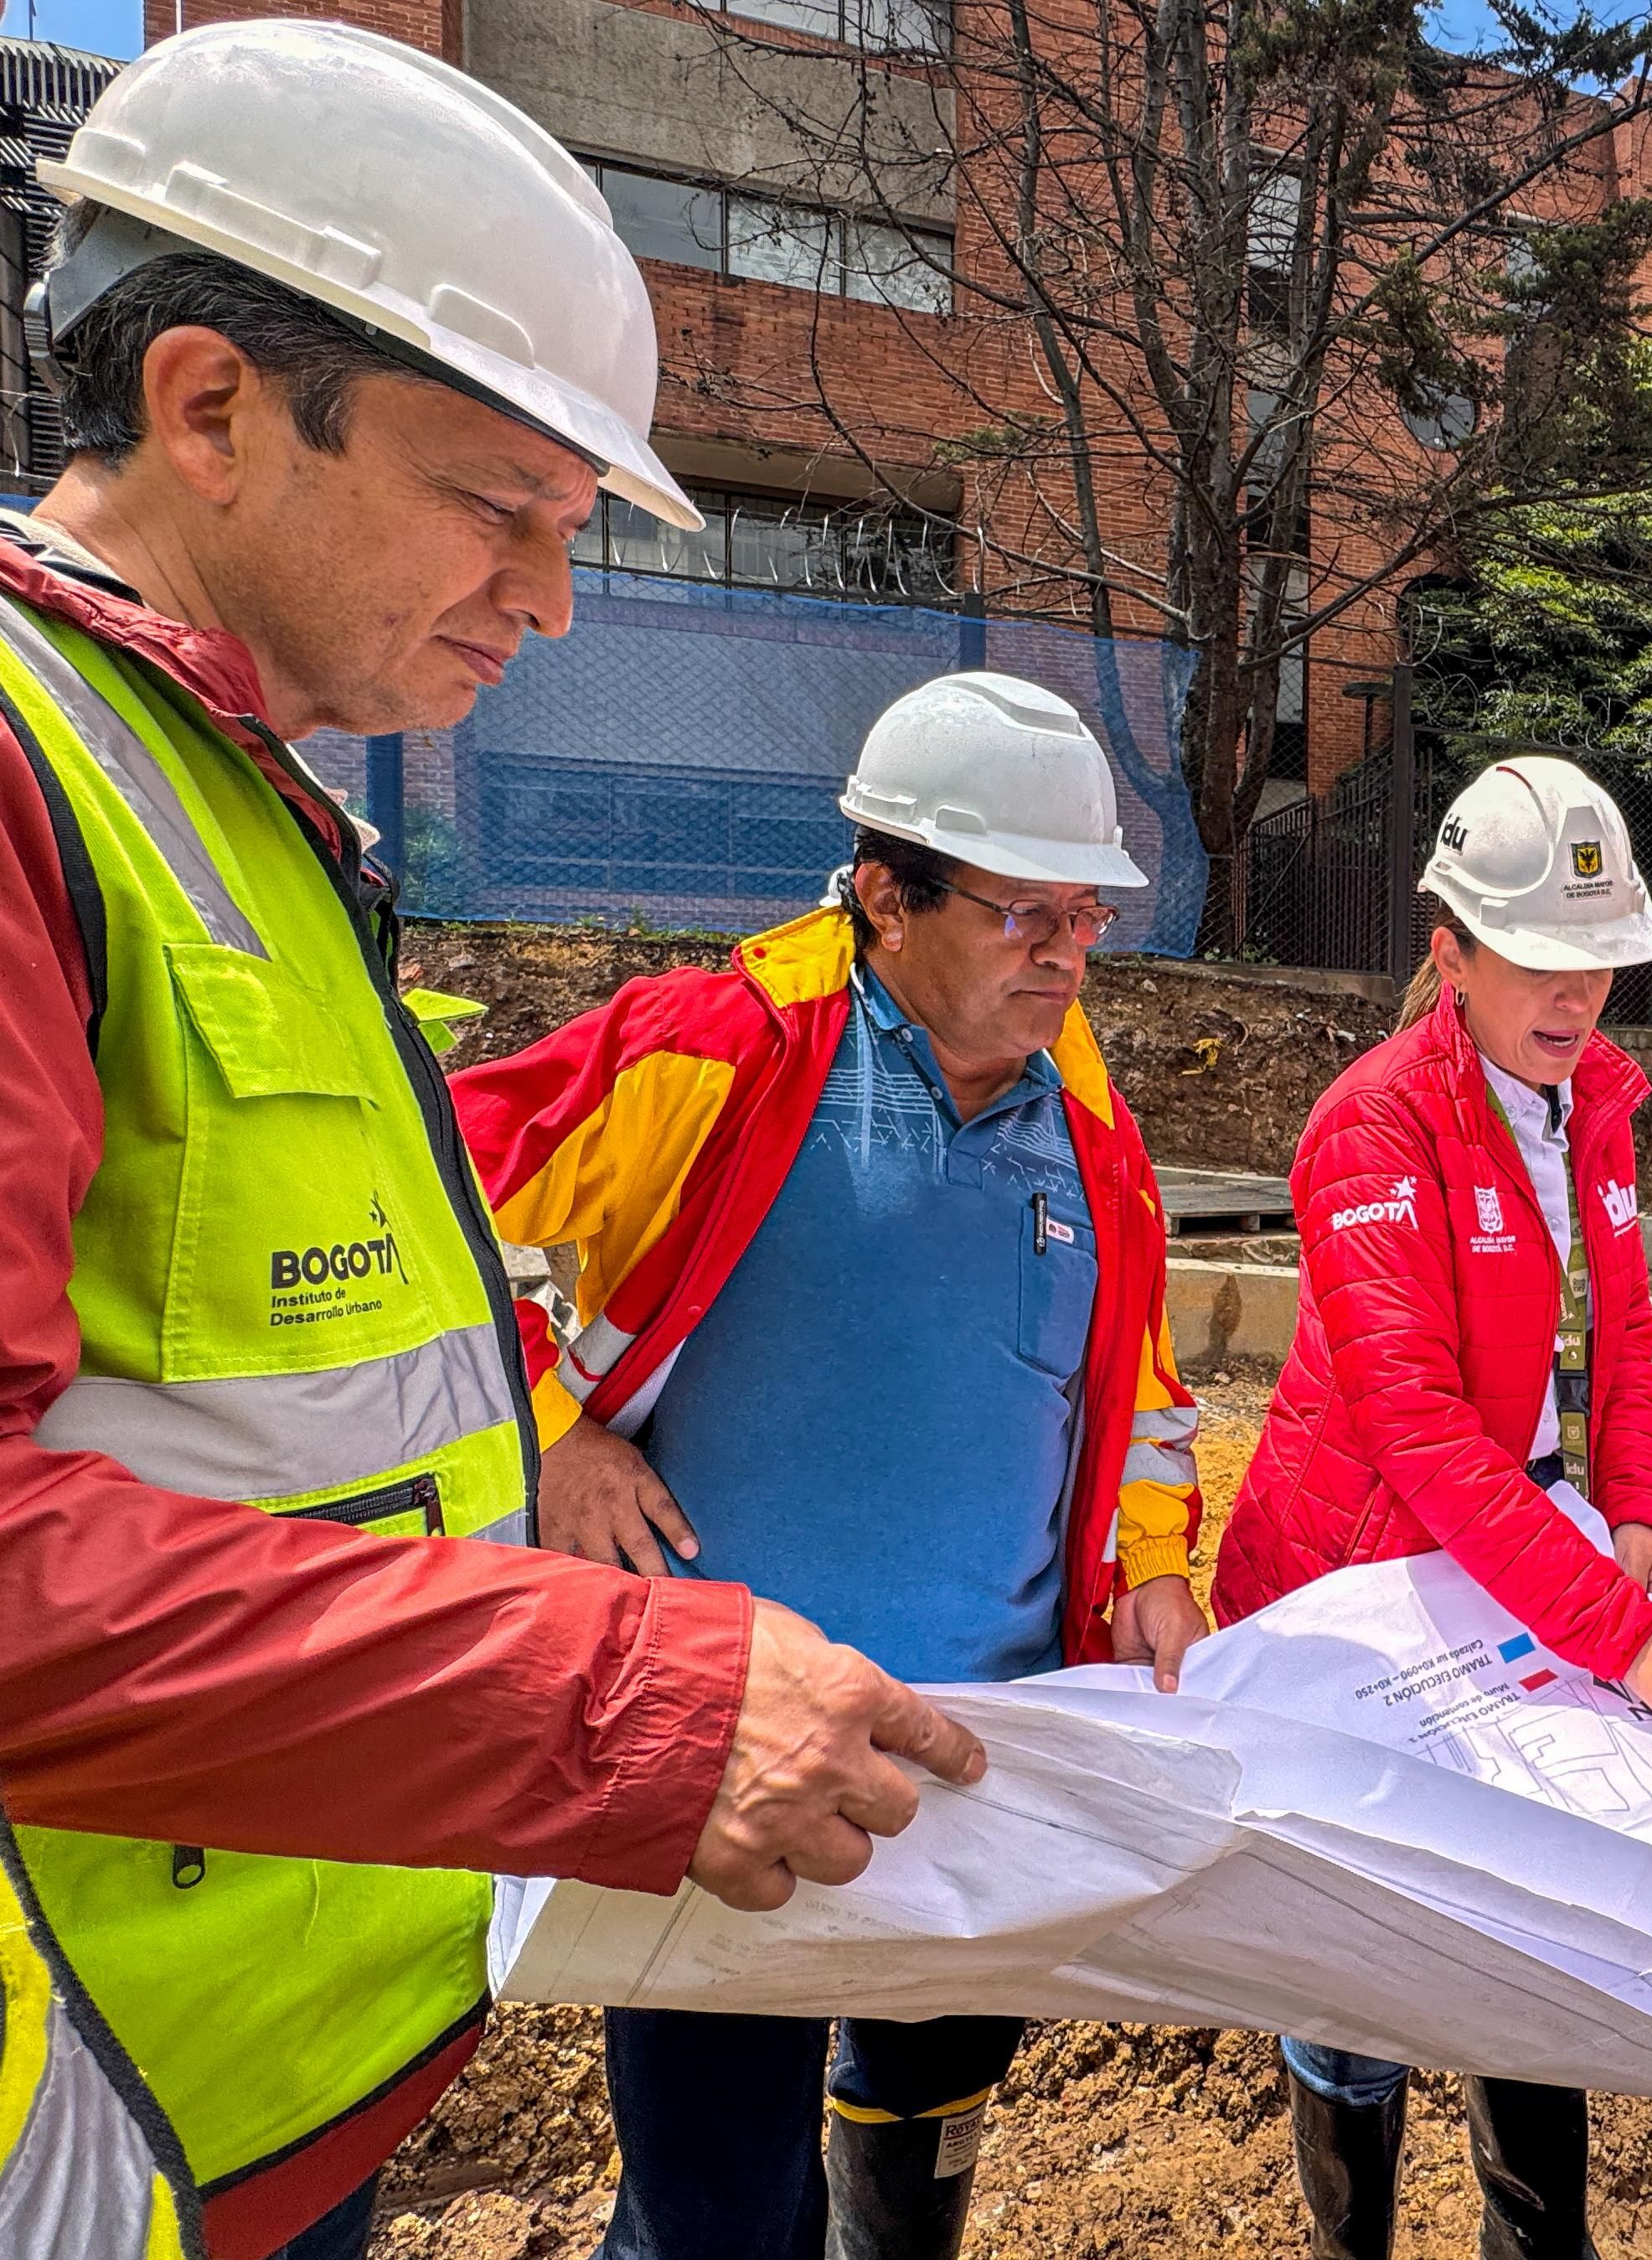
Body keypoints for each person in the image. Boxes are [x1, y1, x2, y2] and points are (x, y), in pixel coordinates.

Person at [0, 26, 984, 2260]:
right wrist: (615, 1693)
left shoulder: (239, 814)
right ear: (211, 409)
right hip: (86, 2130)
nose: (550, 600)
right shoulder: (30, 780)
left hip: (270, 2079)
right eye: (500, 502)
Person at [449, 674, 1209, 2260]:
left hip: (984, 1762)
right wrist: (550, 1421)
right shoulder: (720, 1048)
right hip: (726, 1765)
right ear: (883, 894)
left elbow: (1133, 1387)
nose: (1067, 954)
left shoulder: (1094, 1125)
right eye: (1022, 915)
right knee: (716, 2212)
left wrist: (1149, 1561)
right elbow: (422, 1200)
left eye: (1085, 913)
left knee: (920, 2138)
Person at [1212, 757, 1652, 2260]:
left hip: (1514, 1567)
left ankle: (1540, 2242)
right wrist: (1626, 1632)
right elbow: (1411, 1422)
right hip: (1358, 1583)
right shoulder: (1374, 1130)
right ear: (1450, 951)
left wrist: (1642, 1511)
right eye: (1538, 959)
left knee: (1533, 1929)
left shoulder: (1588, 1102)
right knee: (1362, 1958)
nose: (1575, 995)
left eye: (1601, 961)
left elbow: (1627, 1333)